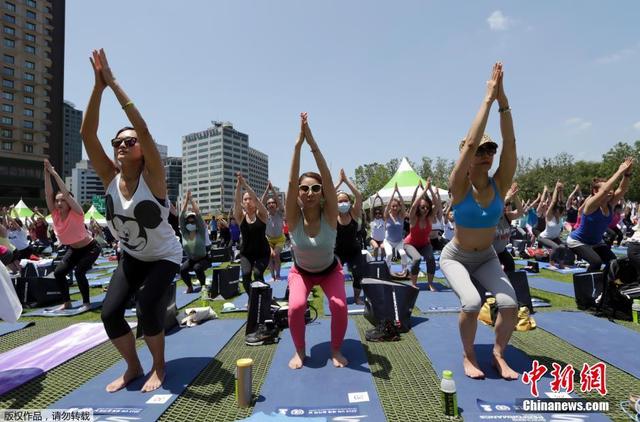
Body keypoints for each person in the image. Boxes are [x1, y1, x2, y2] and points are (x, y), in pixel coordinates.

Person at [81, 49, 183, 393]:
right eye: (118, 142)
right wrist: (97, 89)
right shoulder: (109, 177)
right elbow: (87, 134)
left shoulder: (153, 178)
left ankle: (158, 366)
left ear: (141, 149)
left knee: (147, 305)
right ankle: (133, 366)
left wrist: (114, 84)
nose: (123, 144)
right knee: (109, 313)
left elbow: (144, 129)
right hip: (134, 256)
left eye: (130, 141)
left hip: (165, 255)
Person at [440, 62, 519, 380]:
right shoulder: (459, 185)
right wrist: (487, 99)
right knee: (471, 302)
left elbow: (511, 146)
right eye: (480, 150)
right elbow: (470, 143)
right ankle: (469, 354)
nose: (487, 153)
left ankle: (498, 354)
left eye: (491, 149)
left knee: (509, 304)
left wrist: (503, 102)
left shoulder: (499, 184)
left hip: (486, 256)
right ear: (467, 157)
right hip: (456, 256)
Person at [286, 112, 347, 370]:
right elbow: (290, 182)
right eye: (304, 188)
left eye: (315, 188)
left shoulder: (330, 215)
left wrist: (312, 142)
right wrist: (297, 146)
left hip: (330, 271)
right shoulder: (293, 216)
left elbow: (329, 178)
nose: (309, 192)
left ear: (322, 194)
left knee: (339, 305)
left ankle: (335, 349)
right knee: (296, 306)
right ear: (298, 194)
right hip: (301, 272)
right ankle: (300, 350)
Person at [44, 159, 102, 311]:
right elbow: (48, 193)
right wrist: (46, 174)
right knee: (58, 273)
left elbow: (66, 194)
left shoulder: (77, 213)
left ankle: (86, 303)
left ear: (69, 201)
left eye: (63, 200)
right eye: (57, 201)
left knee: (79, 272)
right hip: (74, 250)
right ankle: (67, 302)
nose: (59, 203)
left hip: (91, 248)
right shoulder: (55, 214)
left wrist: (54, 173)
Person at [567, 159, 633, 274]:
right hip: (578, 241)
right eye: (606, 189)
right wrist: (619, 171)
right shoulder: (591, 205)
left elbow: (622, 189)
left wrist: (627, 173)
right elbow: (605, 189)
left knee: (613, 262)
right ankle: (586, 287)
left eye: (611, 189)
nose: (610, 191)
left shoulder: (610, 204)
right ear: (595, 191)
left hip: (596, 242)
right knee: (596, 262)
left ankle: (605, 286)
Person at [234, 172, 270, 297]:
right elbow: (237, 202)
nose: (248, 201)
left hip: (263, 253)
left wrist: (245, 185)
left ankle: (263, 296)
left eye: (250, 199)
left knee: (258, 274)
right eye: (245, 199)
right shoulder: (240, 217)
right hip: (247, 253)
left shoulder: (262, 215)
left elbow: (256, 198)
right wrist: (239, 185)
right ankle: (253, 299)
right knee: (245, 275)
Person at [335, 168, 366, 304]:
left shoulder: (353, 213)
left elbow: (358, 196)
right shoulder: (332, 216)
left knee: (358, 273)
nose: (343, 203)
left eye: (345, 200)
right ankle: (339, 296)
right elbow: (325, 196)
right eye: (340, 201)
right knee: (336, 276)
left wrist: (346, 181)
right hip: (338, 252)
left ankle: (357, 297)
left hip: (354, 251)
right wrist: (338, 183)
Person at [404, 179, 437, 290]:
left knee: (431, 258)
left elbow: (436, 205)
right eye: (423, 207)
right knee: (417, 258)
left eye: (427, 207)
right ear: (419, 207)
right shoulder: (413, 218)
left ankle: (430, 284)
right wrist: (423, 191)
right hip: (410, 244)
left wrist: (430, 190)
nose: (425, 209)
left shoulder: (430, 218)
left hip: (424, 244)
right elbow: (413, 206)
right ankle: (413, 284)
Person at [179, 191, 209, 293]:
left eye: (193, 220)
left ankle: (203, 285)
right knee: (182, 270)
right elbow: (181, 216)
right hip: (191, 259)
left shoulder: (200, 231)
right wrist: (186, 200)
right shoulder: (184, 233)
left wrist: (191, 200)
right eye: (189, 221)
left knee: (197, 268)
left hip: (203, 259)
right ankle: (189, 287)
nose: (191, 222)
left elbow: (198, 214)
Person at [538, 182, 571, 269]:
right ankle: (551, 264)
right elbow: (553, 202)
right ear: (555, 211)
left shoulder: (560, 218)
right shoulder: (549, 217)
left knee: (563, 247)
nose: (561, 213)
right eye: (559, 211)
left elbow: (562, 202)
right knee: (556, 247)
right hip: (543, 237)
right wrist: (556, 188)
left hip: (554, 238)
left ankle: (561, 264)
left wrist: (561, 191)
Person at [493, 182, 524, 272]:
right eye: (506, 204)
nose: (506, 206)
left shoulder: (507, 216)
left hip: (501, 250)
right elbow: (496, 208)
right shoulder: (491, 216)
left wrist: (515, 197)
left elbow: (520, 212)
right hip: (489, 253)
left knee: (510, 265)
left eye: (507, 204)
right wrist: (508, 198)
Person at [262, 181, 286, 281]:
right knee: (270, 256)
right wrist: (267, 190)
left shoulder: (279, 212)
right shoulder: (264, 214)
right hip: (268, 239)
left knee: (275, 255)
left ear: (275, 205)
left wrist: (274, 192)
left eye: (273, 203)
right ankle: (272, 276)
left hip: (280, 239)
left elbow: (279, 202)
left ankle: (278, 275)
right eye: (269, 203)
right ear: (267, 206)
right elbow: (261, 201)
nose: (271, 204)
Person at [382, 183, 408, 272]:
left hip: (399, 241)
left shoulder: (401, 216)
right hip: (388, 241)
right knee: (389, 255)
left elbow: (403, 205)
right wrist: (393, 192)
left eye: (396, 206)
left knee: (403, 254)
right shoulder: (387, 216)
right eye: (393, 206)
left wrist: (398, 192)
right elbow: (388, 205)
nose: (394, 207)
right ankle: (387, 270)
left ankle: (404, 270)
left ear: (399, 207)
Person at [369, 194, 386, 261]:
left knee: (383, 248)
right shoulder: (373, 220)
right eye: (376, 213)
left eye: (379, 213)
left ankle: (382, 260)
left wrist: (380, 199)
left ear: (381, 214)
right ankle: (375, 260)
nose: (377, 214)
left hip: (382, 240)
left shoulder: (383, 220)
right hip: (374, 239)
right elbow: (371, 209)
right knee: (376, 247)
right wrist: (375, 199)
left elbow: (383, 209)